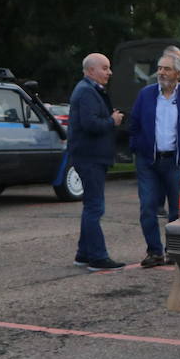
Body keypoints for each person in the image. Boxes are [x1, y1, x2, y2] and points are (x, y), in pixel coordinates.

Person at [129, 53, 180, 267]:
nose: (161, 72)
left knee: (177, 211)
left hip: (176, 162)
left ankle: (173, 250)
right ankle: (154, 251)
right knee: (148, 207)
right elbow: (134, 125)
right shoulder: (146, 95)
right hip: (148, 162)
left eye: (166, 69)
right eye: (159, 68)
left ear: (178, 74)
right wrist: (138, 148)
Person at [68, 53, 124, 271]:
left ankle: (83, 254)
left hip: (90, 156)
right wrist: (112, 120)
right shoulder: (86, 92)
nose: (109, 72)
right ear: (91, 70)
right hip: (90, 157)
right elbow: (90, 124)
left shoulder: (89, 90)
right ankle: (98, 257)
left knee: (91, 206)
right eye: (105, 68)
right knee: (95, 207)